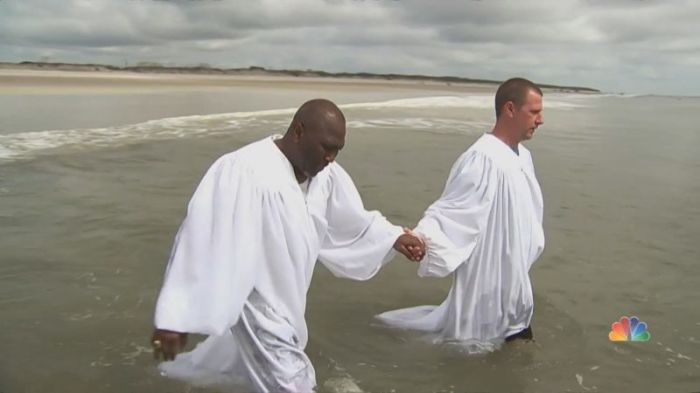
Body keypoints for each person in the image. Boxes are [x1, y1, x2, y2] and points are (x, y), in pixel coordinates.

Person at [150, 99, 424, 392]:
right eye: (326, 147)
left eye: (338, 150)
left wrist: (393, 237)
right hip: (255, 302)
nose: (331, 157)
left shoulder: (325, 176)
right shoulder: (244, 170)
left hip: (289, 304)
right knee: (295, 383)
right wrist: (175, 316)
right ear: (298, 131)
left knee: (239, 373)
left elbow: (350, 220)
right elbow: (199, 237)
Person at [377, 77, 546, 350]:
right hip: (486, 286)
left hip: (515, 283)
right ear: (510, 109)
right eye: (534, 112)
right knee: (479, 357)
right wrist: (422, 238)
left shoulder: (522, 156)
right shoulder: (483, 158)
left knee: (516, 357)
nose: (540, 120)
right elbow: (453, 210)